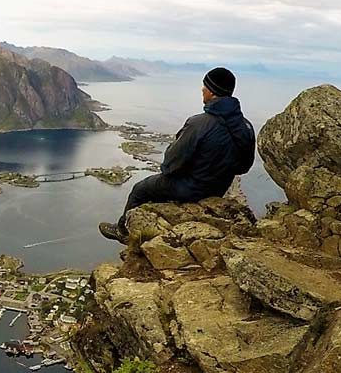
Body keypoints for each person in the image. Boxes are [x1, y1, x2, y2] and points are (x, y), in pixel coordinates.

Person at [99, 67, 256, 244]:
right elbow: (244, 166)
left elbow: (169, 165)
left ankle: (123, 230)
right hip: (219, 188)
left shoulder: (198, 124)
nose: (202, 90)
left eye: (204, 87)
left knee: (140, 189)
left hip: (191, 188)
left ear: (212, 92)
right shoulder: (246, 126)